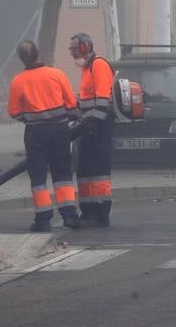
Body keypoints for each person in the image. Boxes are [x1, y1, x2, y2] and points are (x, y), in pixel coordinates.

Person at [7, 40, 80, 231]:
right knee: (62, 172)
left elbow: (14, 111)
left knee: (38, 175)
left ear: (21, 58)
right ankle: (70, 215)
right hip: (60, 131)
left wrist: (29, 118)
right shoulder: (57, 75)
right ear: (38, 53)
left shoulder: (18, 81)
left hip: (35, 133)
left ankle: (43, 219)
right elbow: (71, 105)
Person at [70, 32, 115, 227]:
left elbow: (102, 102)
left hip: (99, 126)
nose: (72, 52)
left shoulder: (99, 65)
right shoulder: (86, 70)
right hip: (88, 127)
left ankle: (101, 212)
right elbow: (85, 101)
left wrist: (89, 123)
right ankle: (88, 211)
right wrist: (73, 113)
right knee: (85, 170)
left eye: (74, 48)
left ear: (85, 47)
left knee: (99, 171)